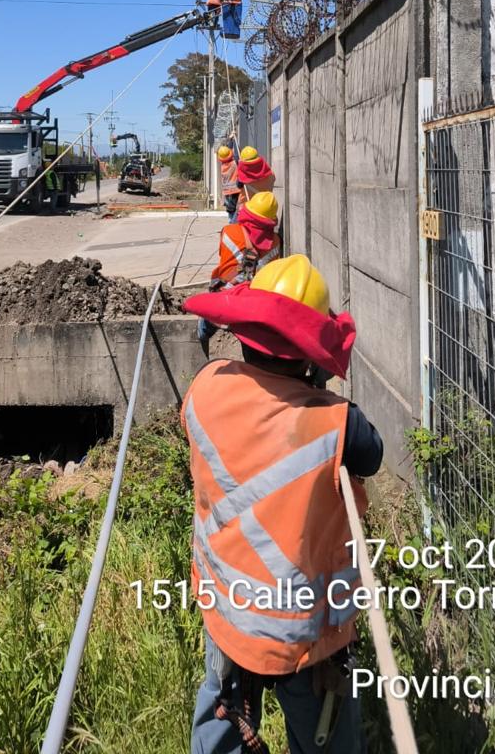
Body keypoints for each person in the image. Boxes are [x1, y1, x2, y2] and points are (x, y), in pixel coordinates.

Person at [182, 255, 384, 754]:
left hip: (228, 613)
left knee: (220, 719)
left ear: (246, 332)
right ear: (311, 355)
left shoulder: (205, 387)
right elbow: (372, 454)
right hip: (305, 641)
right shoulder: (336, 422)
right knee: (327, 738)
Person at [197, 191, 281, 356]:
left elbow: (223, 259)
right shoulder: (276, 242)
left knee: (204, 326)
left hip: (227, 297)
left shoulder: (228, 232)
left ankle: (202, 343)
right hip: (255, 304)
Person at [216, 144, 241, 220]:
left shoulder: (223, 165)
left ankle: (231, 221)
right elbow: (237, 156)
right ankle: (233, 223)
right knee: (235, 208)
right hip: (235, 190)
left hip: (227, 191)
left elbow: (228, 153)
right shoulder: (234, 163)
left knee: (230, 209)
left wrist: (231, 141)